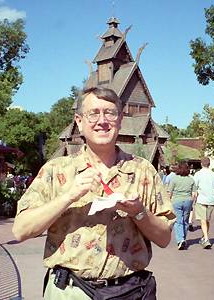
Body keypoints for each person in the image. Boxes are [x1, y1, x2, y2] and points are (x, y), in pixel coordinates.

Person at [12, 87, 175, 300]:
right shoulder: (56, 170)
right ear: (79, 121)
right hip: (70, 290)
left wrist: (139, 212)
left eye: (110, 113)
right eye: (93, 113)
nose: (102, 120)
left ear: (120, 120)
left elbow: (164, 239)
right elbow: (21, 230)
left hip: (130, 290)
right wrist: (68, 196)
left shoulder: (143, 171)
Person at [167, 161, 197, 250]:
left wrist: (168, 202)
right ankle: (183, 238)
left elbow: (169, 192)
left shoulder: (174, 179)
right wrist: (192, 201)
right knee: (185, 221)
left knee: (178, 221)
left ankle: (181, 240)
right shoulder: (191, 179)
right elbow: (194, 193)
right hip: (188, 200)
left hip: (176, 200)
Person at [193, 157, 214, 249]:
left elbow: (194, 187)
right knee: (207, 220)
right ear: (209, 164)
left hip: (201, 199)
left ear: (201, 164)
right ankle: (204, 237)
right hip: (211, 200)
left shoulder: (198, 174)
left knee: (203, 220)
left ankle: (206, 239)